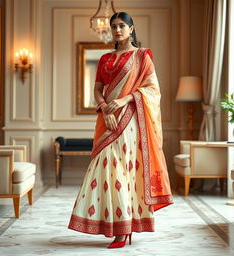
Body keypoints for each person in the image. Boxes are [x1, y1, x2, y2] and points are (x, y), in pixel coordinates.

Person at [68, 11, 173, 249]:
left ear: (131, 28)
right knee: (106, 170)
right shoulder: (105, 59)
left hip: (130, 122)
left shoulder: (142, 56)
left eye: (122, 25)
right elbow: (97, 89)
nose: (117, 30)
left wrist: (125, 101)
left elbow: (152, 90)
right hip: (108, 120)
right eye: (114, 26)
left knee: (123, 171)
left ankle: (124, 230)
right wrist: (105, 108)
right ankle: (115, 225)